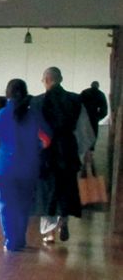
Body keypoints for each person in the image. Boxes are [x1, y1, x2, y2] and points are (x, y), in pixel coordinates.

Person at [32, 67, 95, 243]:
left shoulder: (37, 102)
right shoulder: (75, 100)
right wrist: (82, 151)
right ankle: (63, 220)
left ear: (45, 80)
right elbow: (85, 132)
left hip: (46, 151)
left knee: (47, 191)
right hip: (67, 149)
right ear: (61, 79)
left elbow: (33, 131)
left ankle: (49, 233)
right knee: (66, 188)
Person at [0, 79, 52, 252]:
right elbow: (46, 140)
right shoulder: (35, 116)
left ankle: (10, 241)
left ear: (7, 93)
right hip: (29, 166)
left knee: (5, 204)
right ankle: (20, 239)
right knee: (24, 205)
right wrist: (35, 149)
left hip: (5, 167)